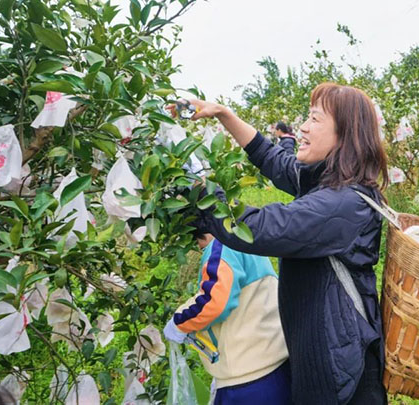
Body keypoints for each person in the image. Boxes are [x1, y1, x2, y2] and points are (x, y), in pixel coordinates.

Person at [180, 82, 390, 405]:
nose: (303, 127)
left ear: (344, 136)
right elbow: (273, 158)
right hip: (326, 357)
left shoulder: (344, 205)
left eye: (315, 119)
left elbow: (261, 229)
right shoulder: (326, 182)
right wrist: (223, 113)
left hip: (341, 376)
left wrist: (201, 191)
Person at [163, 221, 291, 405]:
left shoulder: (222, 247)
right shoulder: (245, 238)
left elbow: (213, 301)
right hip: (275, 364)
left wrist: (179, 322)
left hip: (247, 379)